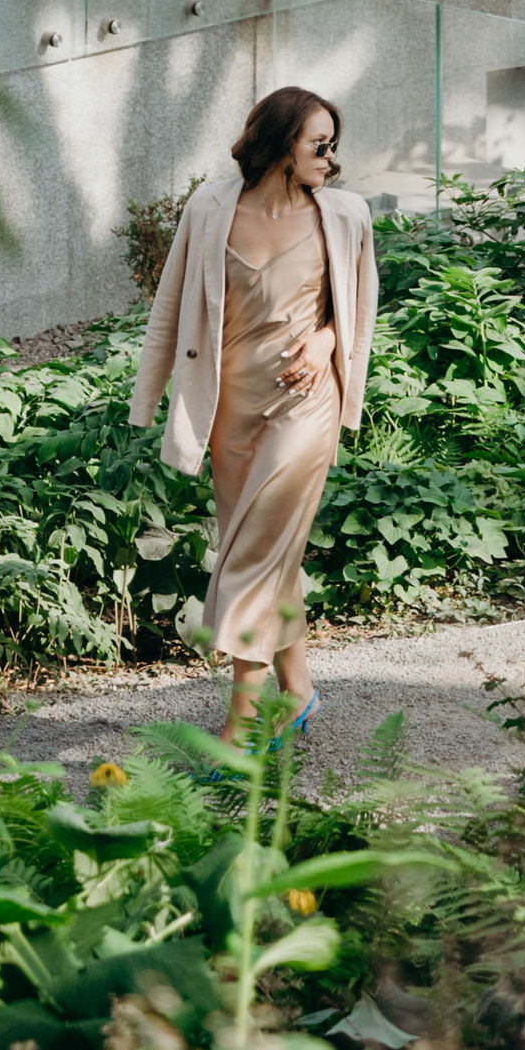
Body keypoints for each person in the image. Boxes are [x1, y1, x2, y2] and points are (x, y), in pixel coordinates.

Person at [131, 86, 376, 742]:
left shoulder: (345, 214)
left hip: (306, 402)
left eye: (333, 142)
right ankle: (298, 692)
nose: (331, 155)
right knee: (271, 552)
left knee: (250, 556)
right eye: (317, 142)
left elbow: (357, 309)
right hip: (230, 407)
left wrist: (328, 341)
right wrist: (149, 398)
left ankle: (242, 720)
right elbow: (171, 304)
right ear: (279, 144)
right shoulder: (210, 208)